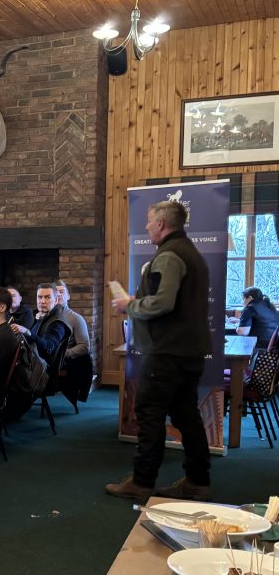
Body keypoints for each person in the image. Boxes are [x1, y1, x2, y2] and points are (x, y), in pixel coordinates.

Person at [106, 200, 213, 502]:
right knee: (186, 414)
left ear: (162, 224)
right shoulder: (191, 253)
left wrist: (130, 304)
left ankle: (141, 482)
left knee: (150, 413)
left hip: (166, 351)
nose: (147, 227)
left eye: (150, 222)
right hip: (188, 351)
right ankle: (197, 482)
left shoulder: (169, 256)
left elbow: (163, 303)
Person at [11, 283, 71, 364]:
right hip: (32, 363)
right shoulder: (37, 315)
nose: (42, 301)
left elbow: (48, 348)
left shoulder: (57, 322)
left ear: (56, 300)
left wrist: (26, 331)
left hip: (43, 372)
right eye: (39, 297)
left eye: (47, 297)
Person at [54, 279, 91, 359]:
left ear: (68, 297)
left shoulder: (76, 318)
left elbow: (84, 347)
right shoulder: (45, 316)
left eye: (62, 292)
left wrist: (61, 354)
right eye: (56, 292)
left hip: (66, 363)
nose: (59, 295)